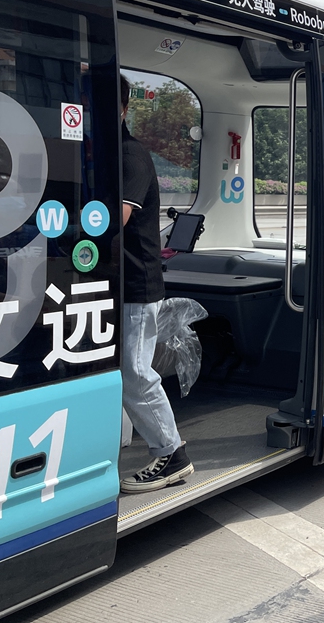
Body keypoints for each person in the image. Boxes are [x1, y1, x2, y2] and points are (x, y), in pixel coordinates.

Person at [118, 75, 193, 494]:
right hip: (116, 282)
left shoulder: (131, 156)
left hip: (136, 282)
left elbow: (113, 221)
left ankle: (171, 454)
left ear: (124, 108)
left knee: (135, 371)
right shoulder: (104, 154)